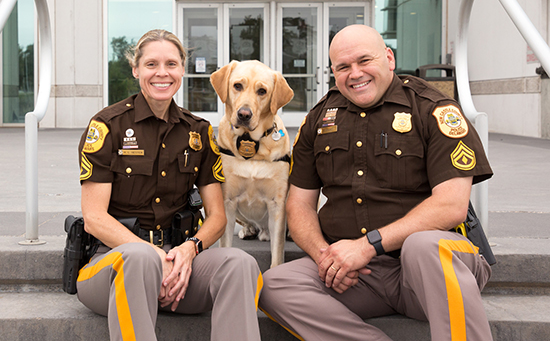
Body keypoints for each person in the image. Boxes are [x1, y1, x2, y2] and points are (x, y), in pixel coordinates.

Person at [259, 24, 494, 340]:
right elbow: (299, 204)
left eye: (364, 61)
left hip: (431, 271)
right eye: (343, 67)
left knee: (423, 245)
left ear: (389, 58)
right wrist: (325, 257)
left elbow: (451, 206)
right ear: (333, 71)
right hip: (358, 278)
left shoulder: (433, 109)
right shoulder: (318, 119)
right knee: (272, 285)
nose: (355, 73)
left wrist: (367, 246)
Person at [76, 29, 262, 341]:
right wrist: (154, 255)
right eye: (151, 64)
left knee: (240, 263)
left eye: (171, 64)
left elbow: (217, 217)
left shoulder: (199, 132)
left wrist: (190, 249)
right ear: (136, 70)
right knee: (140, 258)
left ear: (182, 70)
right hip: (111, 267)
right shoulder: (107, 127)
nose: (162, 73)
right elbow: (94, 219)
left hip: (178, 266)